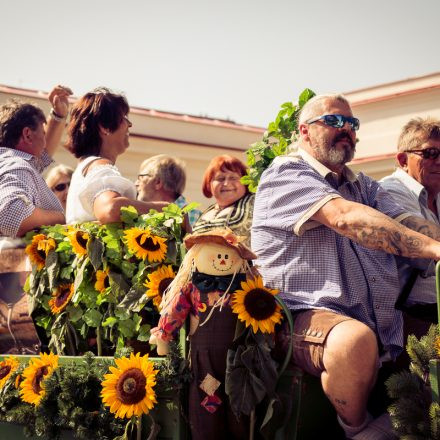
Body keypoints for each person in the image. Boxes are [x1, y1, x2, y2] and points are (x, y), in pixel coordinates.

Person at [251, 94, 440, 440]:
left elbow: (404, 221)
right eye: (335, 121)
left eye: (352, 124)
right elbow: (346, 218)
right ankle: (356, 431)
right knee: (354, 342)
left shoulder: (363, 185)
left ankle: (381, 429)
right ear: (304, 131)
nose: (347, 130)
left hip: (380, 319)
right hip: (305, 315)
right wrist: (433, 248)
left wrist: (430, 239)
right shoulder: (286, 172)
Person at [150, 228, 255, 440]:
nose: (223, 261)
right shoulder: (192, 287)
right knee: (206, 399)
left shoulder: (245, 286)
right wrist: (164, 335)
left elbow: (260, 311)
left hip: (238, 357)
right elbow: (175, 310)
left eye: (227, 257)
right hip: (204, 358)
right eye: (217, 256)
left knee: (238, 401)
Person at [65, 88, 168, 224]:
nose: (129, 124)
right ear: (104, 127)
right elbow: (111, 209)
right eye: (124, 118)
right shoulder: (99, 165)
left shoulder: (85, 167)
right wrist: (165, 209)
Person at [380, 118, 440, 334]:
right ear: (403, 160)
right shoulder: (388, 191)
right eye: (430, 153)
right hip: (406, 317)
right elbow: (424, 247)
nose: (439, 161)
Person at [0, 85, 72, 237]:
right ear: (27, 135)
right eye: (43, 133)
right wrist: (63, 217)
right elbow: (11, 215)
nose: (45, 141)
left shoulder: (10, 162)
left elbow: (44, 153)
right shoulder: (17, 165)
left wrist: (59, 115)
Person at [192, 155, 254, 247]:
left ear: (245, 182)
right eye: (220, 179)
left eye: (233, 178)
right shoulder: (206, 213)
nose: (226, 183)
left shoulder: (256, 203)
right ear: (209, 184)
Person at [136, 154, 201, 227]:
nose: (136, 183)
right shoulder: (142, 217)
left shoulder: (193, 217)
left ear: (158, 182)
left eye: (141, 177)